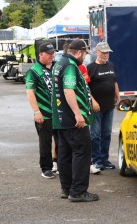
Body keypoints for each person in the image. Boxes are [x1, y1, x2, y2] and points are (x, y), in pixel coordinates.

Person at [52, 39, 99, 202]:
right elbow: (68, 90)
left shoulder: (59, 63)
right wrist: (78, 114)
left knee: (65, 154)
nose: (85, 57)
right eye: (85, 53)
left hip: (62, 118)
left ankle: (66, 188)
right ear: (79, 52)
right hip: (74, 120)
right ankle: (78, 191)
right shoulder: (71, 66)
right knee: (81, 152)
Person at [87, 41, 120, 172]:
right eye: (103, 52)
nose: (106, 55)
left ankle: (104, 159)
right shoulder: (90, 68)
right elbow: (86, 88)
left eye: (107, 52)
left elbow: (114, 82)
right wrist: (93, 102)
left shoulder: (111, 65)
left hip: (109, 106)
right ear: (97, 52)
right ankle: (96, 160)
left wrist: (119, 98)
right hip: (96, 107)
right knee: (95, 134)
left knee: (106, 133)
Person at [25, 42, 56, 179]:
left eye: (52, 53)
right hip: (44, 114)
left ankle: (59, 163)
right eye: (48, 54)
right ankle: (46, 168)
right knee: (45, 142)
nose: (51, 56)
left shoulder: (56, 67)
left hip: (58, 113)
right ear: (40, 54)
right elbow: (30, 92)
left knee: (61, 140)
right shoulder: (34, 71)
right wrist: (36, 111)